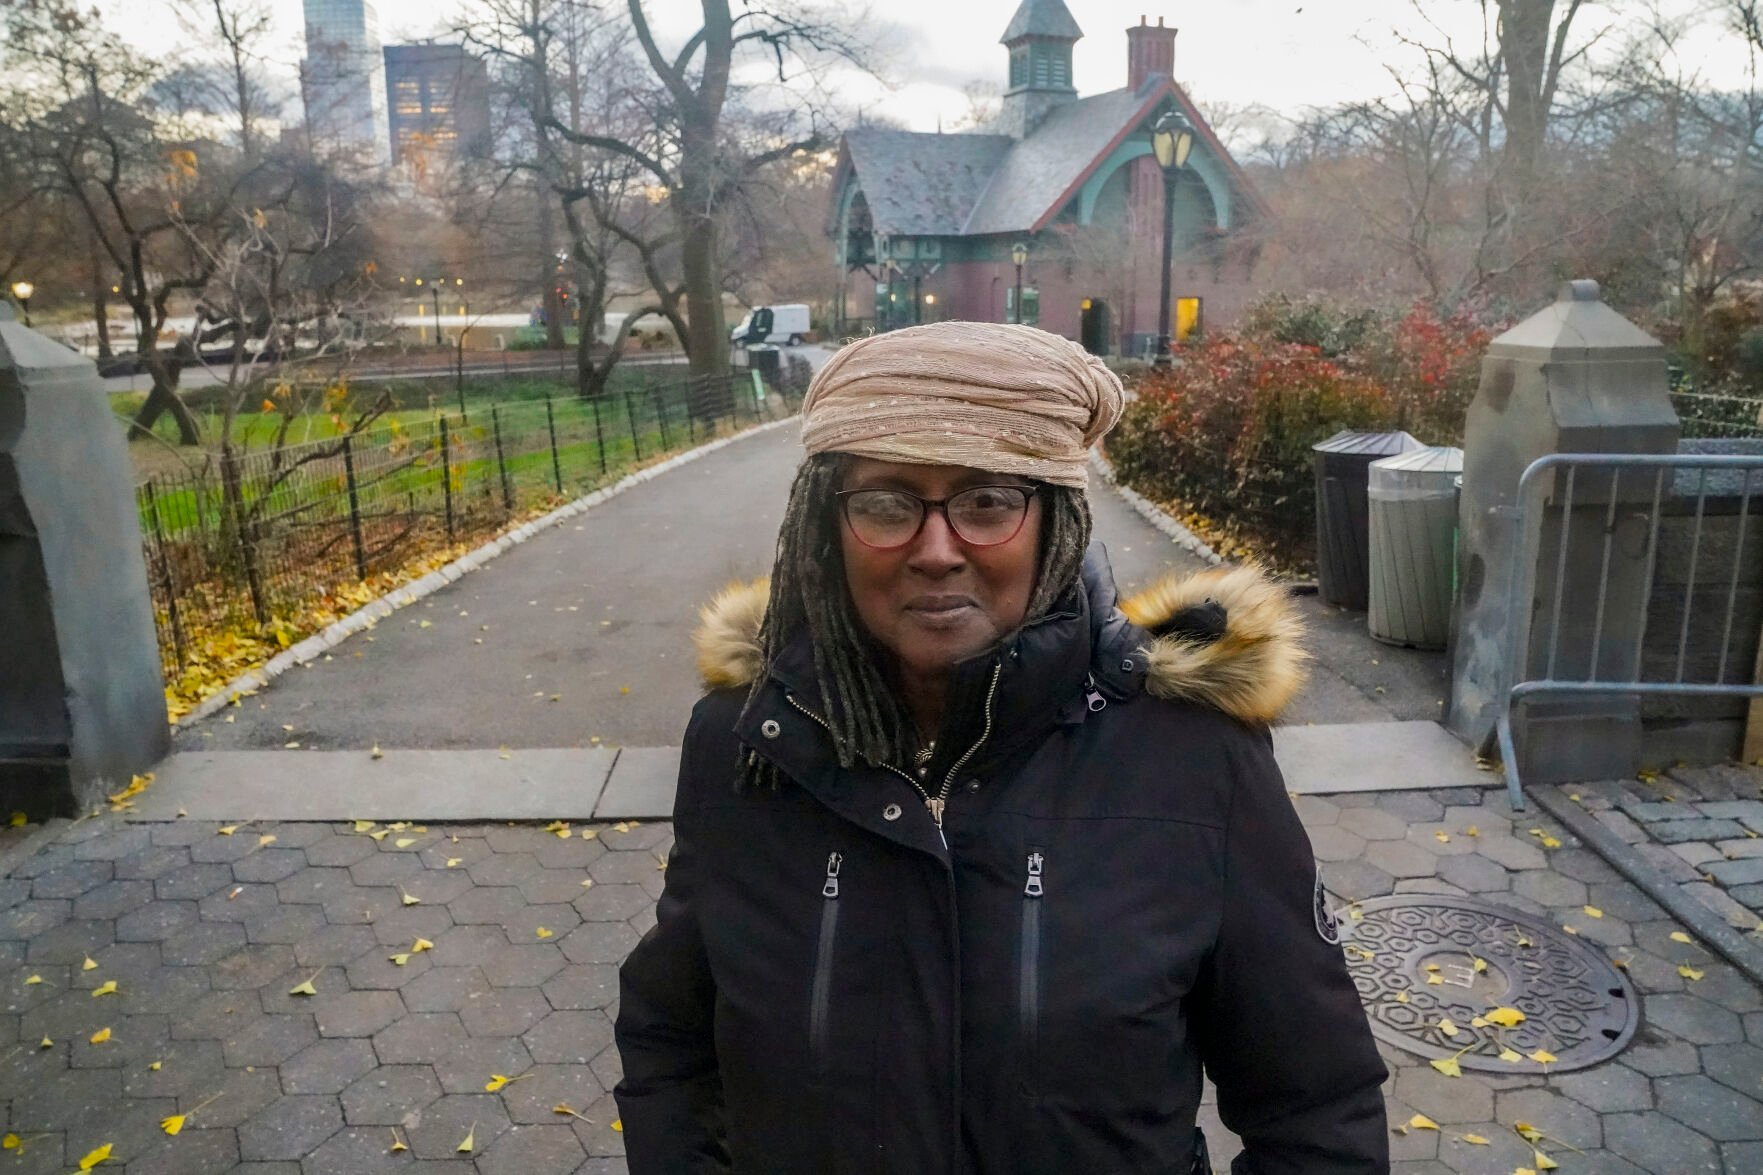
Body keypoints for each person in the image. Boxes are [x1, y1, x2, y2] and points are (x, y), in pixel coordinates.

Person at [613, 322, 1389, 1174]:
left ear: (1054, 520)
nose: (936, 550)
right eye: (886, 502)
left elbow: (1316, 1108)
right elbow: (671, 1043)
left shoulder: (1193, 760)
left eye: (987, 500)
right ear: (822, 526)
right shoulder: (749, 743)